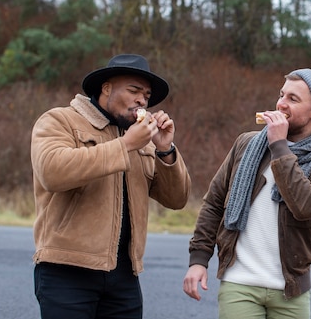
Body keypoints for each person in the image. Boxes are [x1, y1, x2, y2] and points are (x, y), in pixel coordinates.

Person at [31, 54, 192, 319]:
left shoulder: (143, 137)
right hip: (67, 269)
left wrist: (165, 149)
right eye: (134, 90)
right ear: (106, 88)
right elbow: (52, 172)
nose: (142, 99)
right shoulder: (60, 120)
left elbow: (177, 199)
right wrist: (126, 145)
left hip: (124, 276)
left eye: (147, 95)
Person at [183, 68, 311, 319]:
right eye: (282, 95)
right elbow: (214, 203)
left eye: (293, 99)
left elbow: (306, 206)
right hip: (239, 282)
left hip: (291, 290)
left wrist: (279, 146)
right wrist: (199, 259)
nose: (281, 103)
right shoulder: (246, 144)